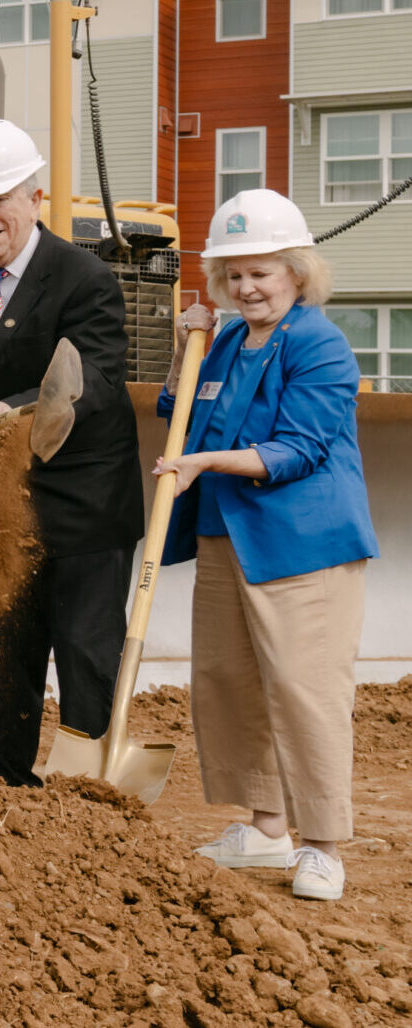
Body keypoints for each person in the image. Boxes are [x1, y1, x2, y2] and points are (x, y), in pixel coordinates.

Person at [159, 190, 376, 902]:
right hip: (228, 536)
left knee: (304, 690)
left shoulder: (318, 343)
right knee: (228, 681)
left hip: (302, 545)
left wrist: (203, 465)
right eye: (236, 275)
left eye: (263, 273)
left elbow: (298, 450)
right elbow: (179, 407)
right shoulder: (225, 339)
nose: (249, 287)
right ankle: (265, 827)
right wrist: (181, 344)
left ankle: (322, 846)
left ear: (296, 272)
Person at [0, 121, 140, 788]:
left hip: (81, 506)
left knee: (84, 653)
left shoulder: (82, 277)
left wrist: (9, 413)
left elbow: (91, 382)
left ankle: (89, 797)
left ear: (34, 196)